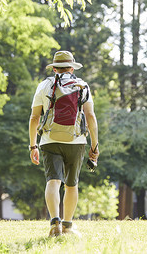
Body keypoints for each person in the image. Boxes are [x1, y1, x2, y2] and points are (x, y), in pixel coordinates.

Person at [28, 50, 99, 237]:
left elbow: (35, 117)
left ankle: (54, 222)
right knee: (71, 184)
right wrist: (95, 146)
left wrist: (33, 145)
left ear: (54, 68)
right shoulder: (82, 85)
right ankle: (68, 226)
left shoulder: (44, 85)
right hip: (76, 141)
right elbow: (90, 116)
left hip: (49, 140)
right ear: (71, 67)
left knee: (53, 180)